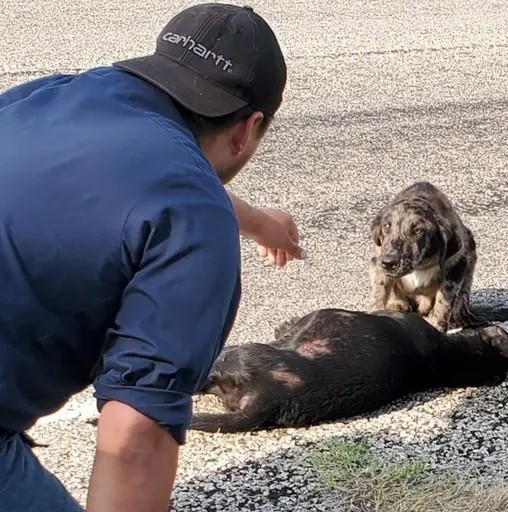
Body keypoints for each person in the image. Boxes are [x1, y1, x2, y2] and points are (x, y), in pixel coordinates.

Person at [0, 3, 305, 511]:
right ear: (247, 129)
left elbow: (134, 179)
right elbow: (135, 440)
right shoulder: (194, 218)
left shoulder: (53, 95)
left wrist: (253, 219)